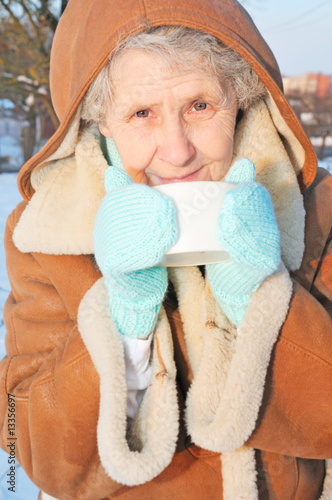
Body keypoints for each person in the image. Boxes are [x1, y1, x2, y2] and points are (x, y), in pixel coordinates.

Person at [1, 0, 331, 498]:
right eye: (141, 113)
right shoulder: (45, 233)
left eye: (200, 106)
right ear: (101, 121)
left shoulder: (314, 207)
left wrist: (257, 300)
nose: (178, 151)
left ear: (239, 97)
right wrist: (124, 321)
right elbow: (32, 449)